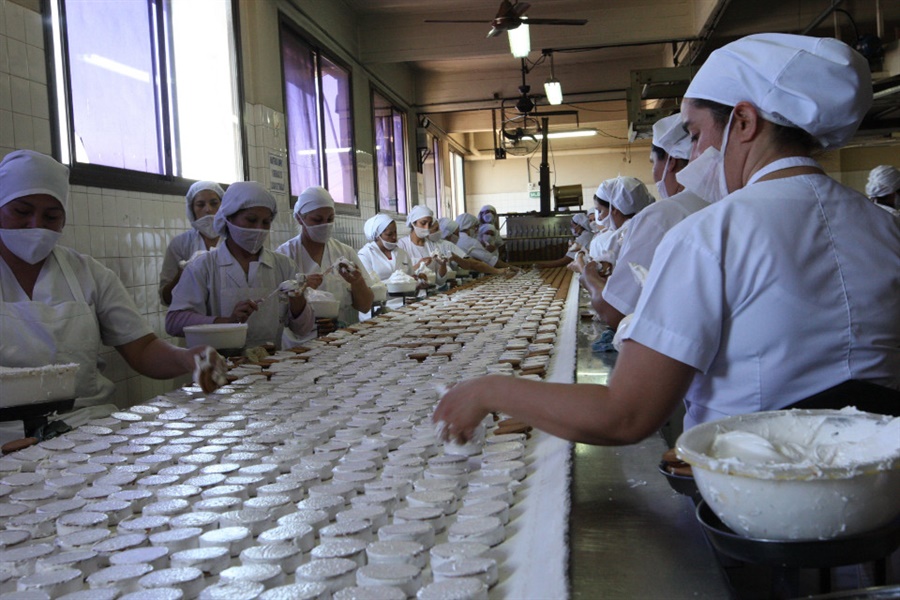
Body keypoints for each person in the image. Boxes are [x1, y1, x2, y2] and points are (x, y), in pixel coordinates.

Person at [434, 33, 900, 446]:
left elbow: (625, 415)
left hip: (755, 505)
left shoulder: (711, 234)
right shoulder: (885, 227)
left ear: (743, 122)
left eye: (696, 135)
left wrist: (487, 390)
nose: (691, 156)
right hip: (881, 499)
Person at [0, 150, 224, 437]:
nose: (36, 224)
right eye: (22, 211)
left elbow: (141, 349)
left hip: (85, 424)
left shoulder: (88, 273)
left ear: (64, 220)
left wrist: (188, 358)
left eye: (51, 216)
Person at [579, 114, 709, 329]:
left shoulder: (661, 217)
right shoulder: (721, 203)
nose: (654, 173)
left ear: (671, 162)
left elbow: (615, 312)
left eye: (653, 163)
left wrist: (588, 277)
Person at [166, 181, 315, 348]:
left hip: (271, 367)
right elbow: (174, 322)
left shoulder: (284, 266)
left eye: (266, 222)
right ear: (228, 218)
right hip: (219, 368)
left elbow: (303, 329)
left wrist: (298, 302)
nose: (259, 229)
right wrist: (226, 322)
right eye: (251, 220)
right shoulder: (202, 267)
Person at [276, 186, 373, 325]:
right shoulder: (285, 255)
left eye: (330, 219)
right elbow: (277, 311)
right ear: (299, 218)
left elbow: (365, 307)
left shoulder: (344, 252)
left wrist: (358, 283)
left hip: (338, 336)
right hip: (299, 341)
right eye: (317, 220)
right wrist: (299, 289)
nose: (325, 225)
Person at [159, 181, 224, 306]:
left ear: (223, 206)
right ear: (192, 209)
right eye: (200, 205)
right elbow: (165, 298)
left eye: (214, 203)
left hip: (231, 322)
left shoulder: (235, 240)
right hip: (192, 322)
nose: (208, 209)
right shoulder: (180, 244)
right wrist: (182, 275)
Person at [432, 217, 508, 276]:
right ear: (448, 234)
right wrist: (497, 271)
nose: (458, 236)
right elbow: (474, 264)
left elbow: (468, 263)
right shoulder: (446, 244)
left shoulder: (446, 244)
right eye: (456, 233)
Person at [396, 205, 448, 282]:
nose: (427, 227)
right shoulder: (402, 245)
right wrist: (419, 265)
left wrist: (443, 265)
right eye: (423, 223)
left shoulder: (432, 246)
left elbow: (440, 280)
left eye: (429, 224)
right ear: (413, 223)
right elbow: (398, 276)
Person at [357, 213, 413, 281]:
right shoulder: (365, 255)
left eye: (395, 232)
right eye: (389, 234)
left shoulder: (402, 253)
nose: (394, 237)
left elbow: (411, 277)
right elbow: (368, 283)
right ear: (377, 236)